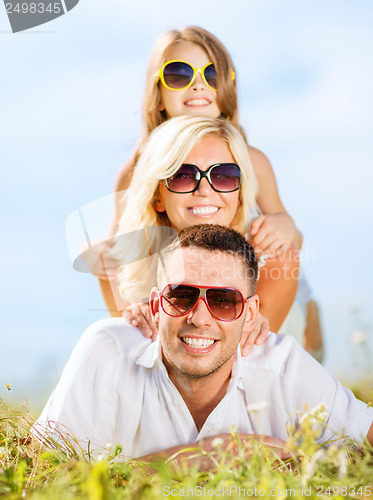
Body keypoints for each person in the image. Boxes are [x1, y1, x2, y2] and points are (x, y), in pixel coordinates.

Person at [34, 225, 373, 464]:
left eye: (224, 301)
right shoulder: (107, 349)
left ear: (250, 314)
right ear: (155, 305)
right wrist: (199, 457)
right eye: (181, 296)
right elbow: (41, 471)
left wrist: (310, 463)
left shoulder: (282, 366)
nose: (199, 318)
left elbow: (366, 440)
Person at [93, 26, 322, 358]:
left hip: (249, 275)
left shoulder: (250, 158)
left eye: (211, 73)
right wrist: (133, 307)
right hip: (176, 280)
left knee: (280, 294)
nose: (198, 84)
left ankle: (304, 334)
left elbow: (289, 238)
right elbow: (115, 258)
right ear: (157, 93)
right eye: (179, 74)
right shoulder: (135, 169)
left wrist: (284, 224)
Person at [103, 116, 299, 355]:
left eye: (224, 175)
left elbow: (238, 365)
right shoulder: (122, 263)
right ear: (157, 196)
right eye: (183, 175)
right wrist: (133, 322)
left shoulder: (275, 257)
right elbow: (133, 360)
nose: (205, 191)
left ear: (240, 193)